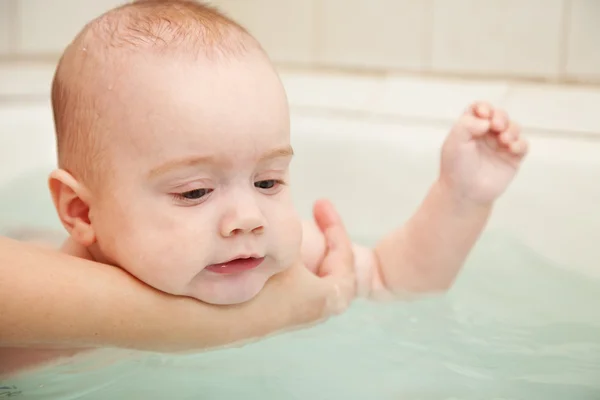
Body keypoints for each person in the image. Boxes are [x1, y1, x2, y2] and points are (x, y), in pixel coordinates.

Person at [2, 0, 528, 375]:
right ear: (81, 212)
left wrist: (461, 198)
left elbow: (397, 281)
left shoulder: (278, 261)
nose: (248, 217)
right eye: (194, 192)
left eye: (268, 180)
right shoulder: (34, 338)